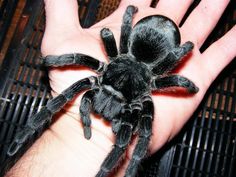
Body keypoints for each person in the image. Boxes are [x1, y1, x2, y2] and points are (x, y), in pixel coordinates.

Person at [5, 0, 236, 176]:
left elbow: (181, 81)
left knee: (134, 137)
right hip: (151, 44)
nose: (107, 104)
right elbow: (107, 35)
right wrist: (55, 61)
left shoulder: (141, 74)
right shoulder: (118, 69)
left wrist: (185, 61)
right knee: (76, 100)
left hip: (155, 46)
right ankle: (23, 137)